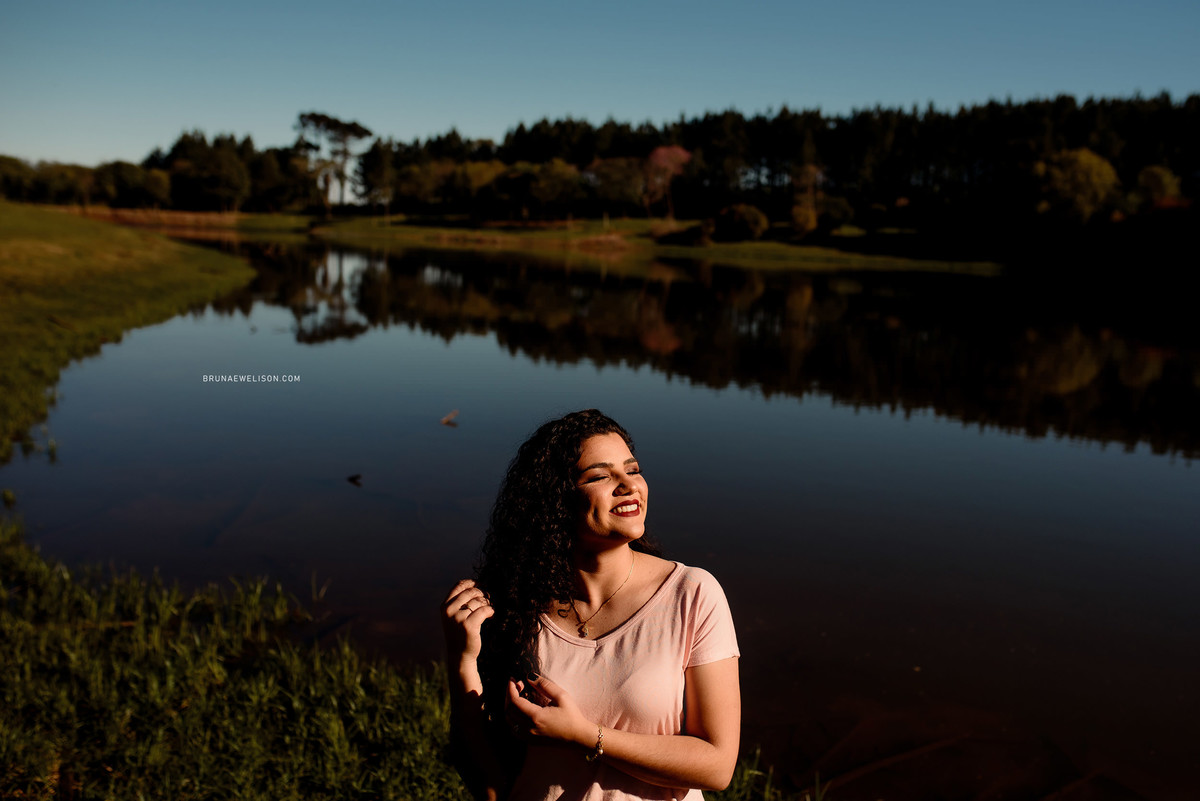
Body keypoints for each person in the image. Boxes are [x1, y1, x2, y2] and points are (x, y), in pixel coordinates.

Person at [441, 409, 741, 801]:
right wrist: (461, 659)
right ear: (555, 502)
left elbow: (717, 766)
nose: (628, 486)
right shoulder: (516, 605)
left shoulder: (691, 594)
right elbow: (484, 773)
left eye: (632, 470)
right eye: (600, 476)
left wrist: (584, 736)